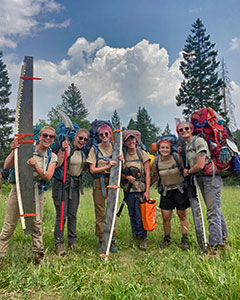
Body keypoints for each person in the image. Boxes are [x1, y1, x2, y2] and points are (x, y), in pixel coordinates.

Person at [0, 126, 58, 266]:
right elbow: (7, 166)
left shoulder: (52, 156)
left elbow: (47, 176)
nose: (47, 138)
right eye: (45, 135)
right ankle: (0, 257)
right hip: (18, 189)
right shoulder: (26, 149)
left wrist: (35, 165)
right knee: (9, 225)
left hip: (37, 191)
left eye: (51, 137)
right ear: (39, 136)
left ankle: (39, 256)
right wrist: (15, 150)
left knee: (36, 225)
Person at [176, 121, 229, 258]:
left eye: (186, 128)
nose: (184, 131)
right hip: (202, 179)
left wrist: (188, 172)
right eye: (181, 130)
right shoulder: (187, 146)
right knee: (215, 210)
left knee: (212, 212)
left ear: (191, 129)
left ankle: (214, 248)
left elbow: (200, 165)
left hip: (210, 179)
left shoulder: (199, 141)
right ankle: (224, 241)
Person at [52, 128, 89, 256]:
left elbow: (83, 168)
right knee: (61, 215)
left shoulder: (82, 152)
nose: (83, 141)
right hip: (62, 184)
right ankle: (59, 243)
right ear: (75, 137)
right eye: (80, 138)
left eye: (85, 139)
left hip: (75, 185)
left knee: (72, 214)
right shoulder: (68, 149)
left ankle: (72, 241)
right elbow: (58, 163)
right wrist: (62, 150)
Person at [151, 139, 190, 250]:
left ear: (170, 148)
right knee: (165, 216)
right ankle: (167, 239)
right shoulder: (156, 161)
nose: (165, 150)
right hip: (166, 191)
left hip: (180, 190)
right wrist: (145, 187)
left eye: (167, 147)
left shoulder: (177, 157)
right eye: (162, 148)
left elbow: (185, 170)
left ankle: (184, 239)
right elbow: (155, 176)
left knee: (182, 215)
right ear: (159, 149)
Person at [86, 124, 118, 252]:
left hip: (112, 180)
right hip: (99, 182)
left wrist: (121, 160)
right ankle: (101, 239)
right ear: (98, 136)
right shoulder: (95, 149)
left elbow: (121, 166)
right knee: (100, 212)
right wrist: (107, 167)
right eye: (101, 135)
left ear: (110, 134)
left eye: (106, 134)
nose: (104, 136)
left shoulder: (116, 149)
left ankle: (112, 239)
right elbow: (92, 169)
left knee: (112, 210)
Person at [121, 132, 150, 250]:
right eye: (128, 140)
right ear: (125, 142)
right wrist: (126, 177)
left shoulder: (142, 154)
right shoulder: (123, 155)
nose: (131, 142)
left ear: (136, 141)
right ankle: (135, 237)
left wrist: (147, 191)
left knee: (140, 216)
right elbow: (119, 173)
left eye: (133, 139)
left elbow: (148, 173)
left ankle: (143, 238)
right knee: (132, 215)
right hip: (128, 190)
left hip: (140, 190)